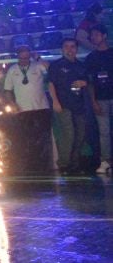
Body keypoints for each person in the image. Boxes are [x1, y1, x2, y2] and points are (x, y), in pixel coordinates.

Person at [2, 45, 52, 174]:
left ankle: (43, 166)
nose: (24, 60)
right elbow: (7, 90)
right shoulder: (12, 70)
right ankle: (28, 166)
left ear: (30, 55)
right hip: (22, 110)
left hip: (41, 108)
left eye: (26, 57)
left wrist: (38, 57)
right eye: (21, 57)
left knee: (42, 139)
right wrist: (12, 105)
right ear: (17, 56)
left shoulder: (37, 65)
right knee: (25, 139)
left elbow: (50, 68)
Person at [48, 38, 91, 175]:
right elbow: (51, 84)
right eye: (66, 46)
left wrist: (84, 82)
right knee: (69, 135)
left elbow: (88, 82)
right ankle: (64, 164)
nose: (69, 49)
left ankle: (75, 164)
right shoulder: (56, 65)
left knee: (80, 135)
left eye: (72, 47)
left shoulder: (81, 65)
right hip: (63, 104)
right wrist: (55, 101)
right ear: (62, 49)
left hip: (79, 105)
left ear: (76, 49)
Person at [85, 25, 113, 173]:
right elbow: (90, 82)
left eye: (96, 34)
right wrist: (94, 101)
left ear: (104, 36)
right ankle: (106, 161)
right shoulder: (91, 58)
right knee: (104, 132)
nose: (93, 38)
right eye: (92, 35)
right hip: (101, 98)